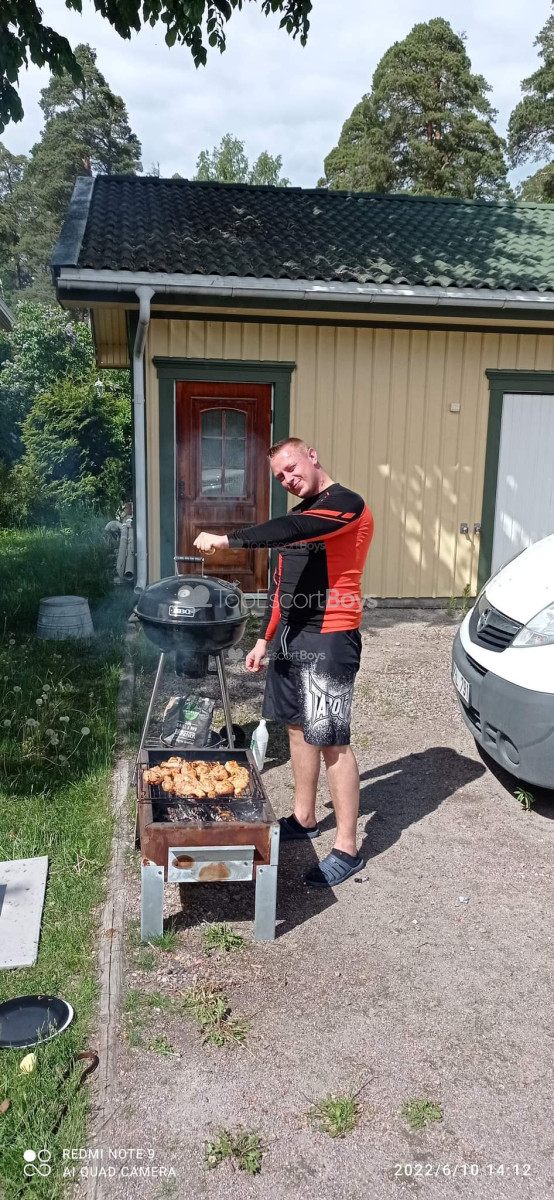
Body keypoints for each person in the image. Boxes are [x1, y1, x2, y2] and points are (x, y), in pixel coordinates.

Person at [193, 437, 374, 887]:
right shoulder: (296, 520)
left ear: (312, 456)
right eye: (280, 477)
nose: (288, 479)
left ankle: (347, 848)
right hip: (291, 637)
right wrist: (264, 639)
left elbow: (293, 530)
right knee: (295, 727)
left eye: (291, 468)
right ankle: (304, 817)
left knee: (330, 739)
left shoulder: (346, 505)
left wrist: (227, 539)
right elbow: (282, 588)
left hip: (330, 635)